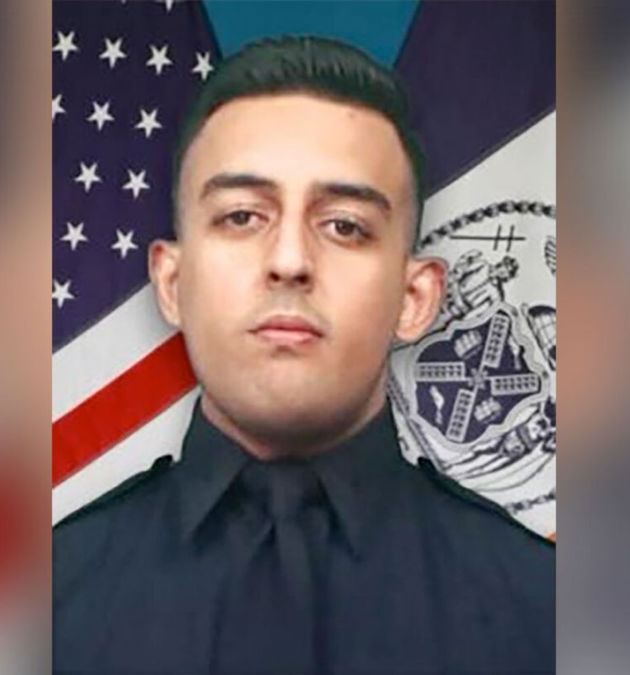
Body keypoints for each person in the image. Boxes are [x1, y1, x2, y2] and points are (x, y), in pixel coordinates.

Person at [53, 36, 554, 674]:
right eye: (242, 217)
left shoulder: (547, 615)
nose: (289, 261)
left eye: (345, 225)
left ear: (415, 298)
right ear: (172, 284)